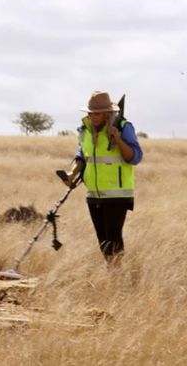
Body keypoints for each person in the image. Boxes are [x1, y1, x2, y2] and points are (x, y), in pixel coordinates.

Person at [62, 91, 143, 266]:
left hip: (118, 194)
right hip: (93, 194)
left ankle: (116, 275)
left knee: (113, 239)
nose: (92, 116)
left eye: (96, 113)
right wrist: (71, 174)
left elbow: (135, 157)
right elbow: (82, 156)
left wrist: (119, 140)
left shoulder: (123, 127)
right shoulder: (84, 130)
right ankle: (112, 272)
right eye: (90, 113)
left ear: (107, 113)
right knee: (103, 242)